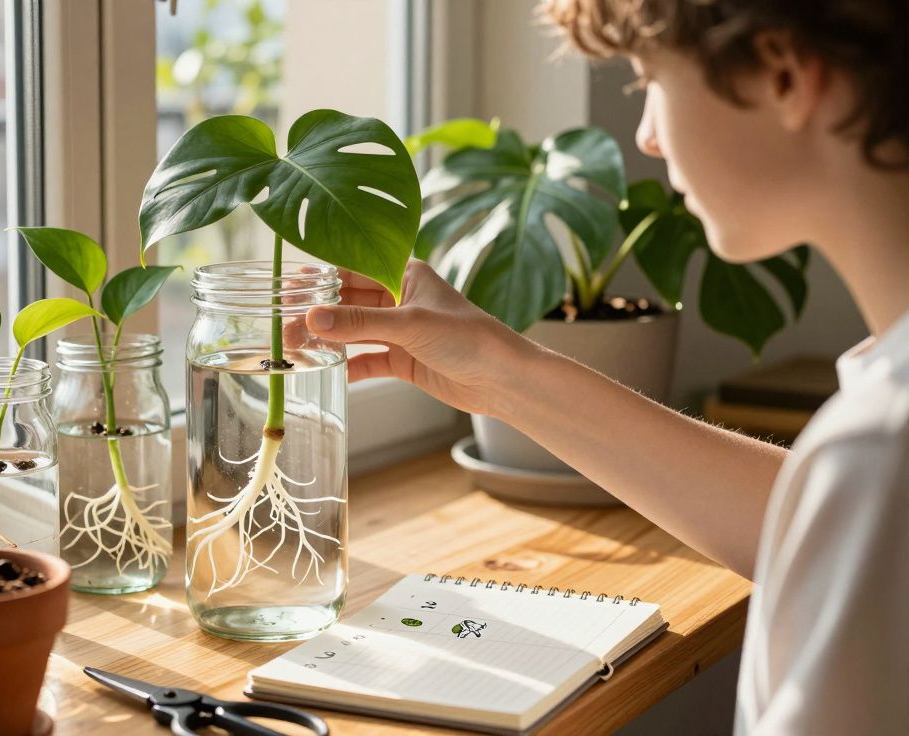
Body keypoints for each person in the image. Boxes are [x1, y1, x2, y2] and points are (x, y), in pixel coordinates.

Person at [305, 1, 909, 733]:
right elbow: (824, 531)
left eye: (651, 79)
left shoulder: (880, 454)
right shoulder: (876, 457)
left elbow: (858, 510)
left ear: (782, 74)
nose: (648, 137)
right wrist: (504, 372)